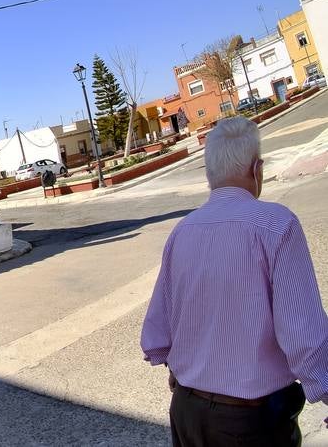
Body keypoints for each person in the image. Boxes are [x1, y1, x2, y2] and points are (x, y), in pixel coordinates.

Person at [140, 116, 328, 445]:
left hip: (186, 411)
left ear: (210, 175)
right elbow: (303, 332)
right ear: (257, 169)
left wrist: (179, 367)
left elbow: (160, 325)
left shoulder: (183, 231)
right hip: (246, 422)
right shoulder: (276, 225)